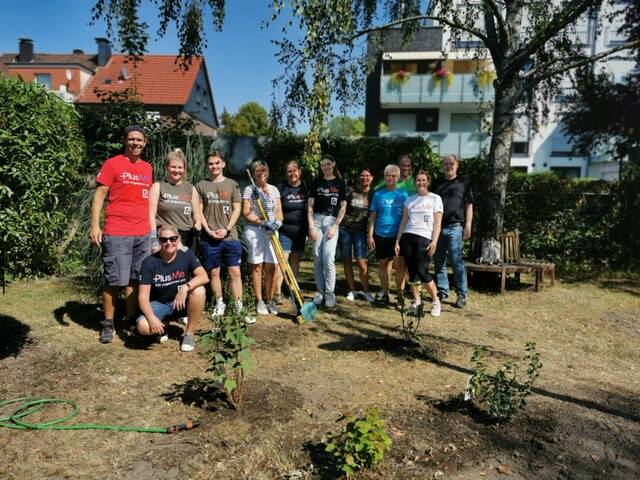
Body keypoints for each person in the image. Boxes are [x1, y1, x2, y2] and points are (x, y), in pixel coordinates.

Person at [90, 125, 152, 344]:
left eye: (139, 140)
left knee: (136, 279)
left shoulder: (147, 168)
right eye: (131, 139)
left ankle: (130, 319)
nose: (135, 143)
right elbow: (99, 194)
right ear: (125, 141)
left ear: (145, 143)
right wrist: (95, 225)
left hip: (142, 232)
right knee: (114, 279)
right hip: (117, 231)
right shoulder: (112, 164)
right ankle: (108, 323)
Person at [195, 151, 254, 324]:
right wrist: (208, 230)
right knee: (214, 272)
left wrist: (227, 229)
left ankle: (238, 306)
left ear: (223, 164)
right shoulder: (201, 185)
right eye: (210, 164)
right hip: (209, 237)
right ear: (208, 166)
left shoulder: (232, 184)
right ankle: (219, 304)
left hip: (230, 237)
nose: (213, 166)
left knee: (235, 271)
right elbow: (198, 210)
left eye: (216, 163)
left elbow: (237, 209)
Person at [136, 225, 208, 351]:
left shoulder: (186, 255)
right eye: (164, 240)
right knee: (143, 326)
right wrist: (151, 318)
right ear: (159, 241)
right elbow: (142, 297)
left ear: (178, 239)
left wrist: (186, 287)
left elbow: (204, 276)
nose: (169, 242)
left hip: (180, 302)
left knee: (199, 290)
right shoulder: (149, 262)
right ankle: (162, 327)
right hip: (159, 304)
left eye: (173, 239)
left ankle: (189, 334)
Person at [394, 171, 443, 317]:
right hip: (408, 237)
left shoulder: (435, 199)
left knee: (422, 272)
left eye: (423, 180)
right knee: (412, 273)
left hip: (424, 238)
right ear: (414, 182)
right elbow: (403, 222)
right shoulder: (409, 200)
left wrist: (434, 241)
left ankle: (436, 301)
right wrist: (397, 241)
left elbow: (438, 222)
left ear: (428, 182)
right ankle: (417, 301)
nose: (420, 183)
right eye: (418, 180)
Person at [431, 154, 474, 308]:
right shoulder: (436, 184)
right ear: (443, 165)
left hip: (455, 227)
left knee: (456, 261)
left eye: (451, 163)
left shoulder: (464, 182)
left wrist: (468, 224)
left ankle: (462, 294)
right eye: (446, 163)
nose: (448, 166)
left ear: (457, 165)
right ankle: (443, 291)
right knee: (439, 261)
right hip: (438, 228)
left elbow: (469, 204)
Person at [242, 160, 284, 316]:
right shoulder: (249, 190)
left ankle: (270, 300)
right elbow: (246, 212)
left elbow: (279, 211)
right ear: (253, 173)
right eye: (257, 170)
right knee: (257, 266)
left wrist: (277, 222)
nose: (261, 173)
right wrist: (262, 221)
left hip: (272, 231)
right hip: (255, 231)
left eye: (263, 169)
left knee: (272, 266)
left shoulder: (273, 190)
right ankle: (259, 301)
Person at [307, 154, 347, 308]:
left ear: (333, 164)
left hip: (331, 222)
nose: (325, 167)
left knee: (328, 257)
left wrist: (336, 226)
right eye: (323, 164)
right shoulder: (316, 182)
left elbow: (343, 207)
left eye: (328, 164)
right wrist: (311, 226)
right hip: (316, 221)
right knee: (317, 258)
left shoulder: (339, 183)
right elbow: (310, 206)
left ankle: (330, 293)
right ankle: (320, 292)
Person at [367, 164, 408, 305]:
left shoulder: (404, 195)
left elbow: (407, 217)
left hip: (398, 235)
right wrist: (370, 236)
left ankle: (400, 295)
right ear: (384, 177)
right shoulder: (378, 194)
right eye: (388, 175)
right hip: (381, 234)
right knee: (384, 264)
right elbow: (372, 217)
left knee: (399, 265)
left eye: (394, 176)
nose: (391, 178)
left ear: (398, 177)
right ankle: (385, 293)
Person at [148, 148, 200, 252]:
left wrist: (197, 225)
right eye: (173, 167)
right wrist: (153, 240)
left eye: (180, 167)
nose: (177, 170)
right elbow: (150, 216)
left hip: (187, 238)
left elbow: (197, 216)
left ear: (185, 169)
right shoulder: (158, 186)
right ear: (167, 167)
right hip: (165, 237)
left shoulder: (191, 189)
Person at [273, 160, 308, 303]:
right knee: (282, 261)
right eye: (289, 171)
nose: (292, 173)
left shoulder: (305, 188)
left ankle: (293, 288)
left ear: (300, 172)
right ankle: (277, 292)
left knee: (295, 261)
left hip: (300, 231)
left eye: (295, 170)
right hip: (285, 231)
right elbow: (276, 209)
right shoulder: (281, 188)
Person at [338, 168, 375, 302]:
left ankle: (366, 291)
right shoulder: (350, 191)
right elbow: (342, 208)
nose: (364, 178)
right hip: (345, 229)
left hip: (360, 230)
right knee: (347, 259)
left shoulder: (373, 194)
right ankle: (352, 290)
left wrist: (371, 234)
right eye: (362, 175)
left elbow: (373, 215)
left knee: (361, 261)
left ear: (372, 178)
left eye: (367, 175)